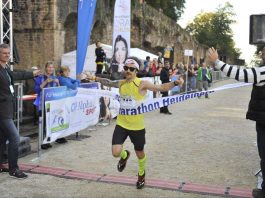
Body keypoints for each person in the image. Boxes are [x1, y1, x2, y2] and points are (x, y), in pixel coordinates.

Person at [88, 56, 184, 189]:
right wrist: (94, 78)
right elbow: (109, 82)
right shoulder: (121, 83)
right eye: (126, 68)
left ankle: (141, 173)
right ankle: (125, 155)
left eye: (131, 69)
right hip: (122, 123)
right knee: (116, 152)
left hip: (137, 126)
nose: (128, 71)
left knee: (140, 153)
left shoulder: (142, 83)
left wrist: (175, 83)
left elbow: (161, 87)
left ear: (136, 71)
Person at [207, 46, 265, 198]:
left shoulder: (263, 72)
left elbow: (239, 74)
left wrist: (217, 62)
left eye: (264, 51)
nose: (261, 53)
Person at [0, 43, 41, 178]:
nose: (7, 55)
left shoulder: (5, 69)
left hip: (8, 110)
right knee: (15, 138)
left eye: (8, 53)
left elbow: (17, 75)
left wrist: (31, 73)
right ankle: (13, 169)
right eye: (4, 53)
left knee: (2, 138)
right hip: (2, 111)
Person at [34, 61, 66, 149]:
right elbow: (37, 90)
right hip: (43, 102)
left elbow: (59, 90)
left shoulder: (55, 77)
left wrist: (58, 83)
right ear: (46, 68)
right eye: (49, 67)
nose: (51, 69)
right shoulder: (40, 77)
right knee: (44, 123)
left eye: (52, 67)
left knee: (51, 122)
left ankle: (48, 140)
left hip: (53, 103)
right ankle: (43, 142)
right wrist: (46, 82)